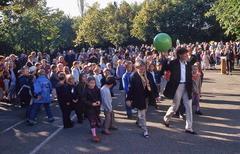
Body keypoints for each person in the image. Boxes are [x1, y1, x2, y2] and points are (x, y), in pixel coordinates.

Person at [163, 47, 196, 135]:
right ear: (179, 55)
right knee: (175, 106)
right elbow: (164, 68)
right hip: (177, 86)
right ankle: (166, 118)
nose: (186, 55)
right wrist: (165, 58)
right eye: (184, 54)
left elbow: (194, 58)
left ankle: (189, 127)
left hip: (187, 87)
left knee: (189, 107)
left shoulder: (188, 64)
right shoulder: (173, 63)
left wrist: (192, 51)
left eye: (187, 54)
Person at [126, 60, 159, 138]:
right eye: (139, 68)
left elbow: (153, 85)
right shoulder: (133, 76)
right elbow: (131, 89)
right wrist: (128, 99)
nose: (142, 69)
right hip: (139, 96)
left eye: (143, 67)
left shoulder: (149, 74)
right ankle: (145, 130)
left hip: (148, 95)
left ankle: (139, 120)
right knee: (142, 113)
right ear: (136, 68)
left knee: (145, 109)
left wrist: (157, 95)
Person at [84, 77, 101, 142]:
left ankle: (94, 127)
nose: (93, 84)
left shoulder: (97, 89)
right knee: (92, 121)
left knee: (97, 119)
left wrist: (99, 101)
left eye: (94, 83)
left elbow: (99, 97)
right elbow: (84, 100)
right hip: (89, 108)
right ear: (88, 83)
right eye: (91, 83)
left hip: (96, 108)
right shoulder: (85, 90)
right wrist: (91, 104)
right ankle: (94, 135)